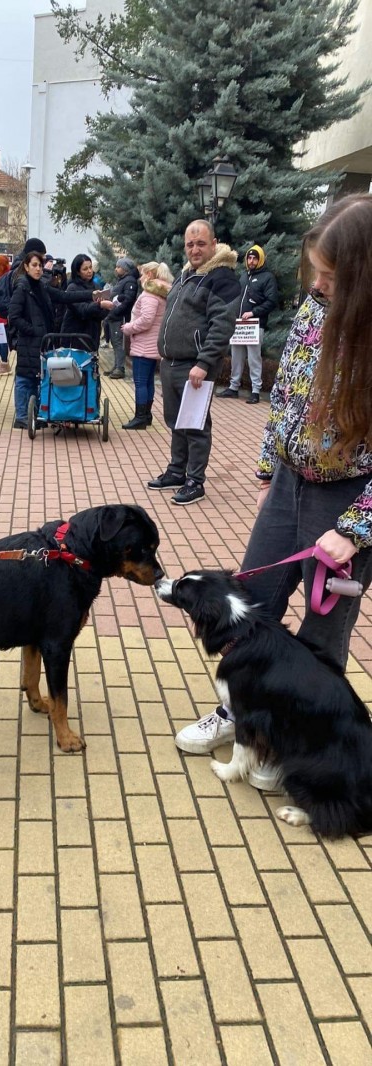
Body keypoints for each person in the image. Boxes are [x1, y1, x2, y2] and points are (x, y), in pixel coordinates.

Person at [173, 194, 372, 788]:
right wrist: (268, 470)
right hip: (290, 482)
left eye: (332, 276)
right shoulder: (316, 307)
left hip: (348, 500)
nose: (318, 284)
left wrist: (355, 529)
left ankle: (299, 745)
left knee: (321, 636)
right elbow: (286, 392)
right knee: (251, 603)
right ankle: (238, 713)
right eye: (315, 270)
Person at [147, 220, 240, 505]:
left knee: (195, 425)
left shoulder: (222, 277)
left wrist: (204, 362)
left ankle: (195, 481)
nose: (195, 249)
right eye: (190, 244)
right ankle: (176, 471)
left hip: (196, 366)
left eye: (201, 243)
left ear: (214, 244)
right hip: (172, 363)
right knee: (175, 421)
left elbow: (222, 325)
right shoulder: (188, 274)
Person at [219, 244, 279, 404]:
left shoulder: (267, 277)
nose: (251, 261)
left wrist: (253, 312)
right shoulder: (244, 276)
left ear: (260, 260)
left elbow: (272, 301)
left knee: (254, 358)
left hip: (255, 325)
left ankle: (255, 391)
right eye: (249, 258)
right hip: (239, 325)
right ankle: (233, 387)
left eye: (255, 258)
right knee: (236, 356)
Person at [120, 260, 173, 430]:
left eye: (143, 273)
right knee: (148, 381)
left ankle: (140, 417)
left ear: (150, 275)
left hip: (144, 345)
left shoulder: (150, 294)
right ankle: (146, 415)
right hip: (153, 344)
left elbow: (146, 320)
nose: (140, 277)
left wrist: (128, 328)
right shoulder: (161, 293)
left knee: (141, 382)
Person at [8, 251, 53, 429]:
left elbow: (62, 296)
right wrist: (32, 330)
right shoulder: (22, 287)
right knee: (24, 378)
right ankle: (21, 417)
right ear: (26, 267)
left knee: (36, 377)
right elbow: (14, 316)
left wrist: (91, 296)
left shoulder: (39, 286)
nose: (38, 269)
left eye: (40, 266)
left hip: (41, 341)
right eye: (34, 265)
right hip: (29, 340)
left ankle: (33, 415)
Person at [99, 256, 139, 378]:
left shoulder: (129, 281)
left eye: (118, 267)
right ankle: (116, 365)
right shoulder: (123, 280)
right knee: (115, 342)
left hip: (120, 317)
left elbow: (127, 300)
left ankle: (120, 368)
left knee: (118, 342)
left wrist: (115, 312)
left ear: (125, 269)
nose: (116, 269)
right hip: (114, 316)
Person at [61, 254, 108, 351]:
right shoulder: (72, 288)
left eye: (90, 267)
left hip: (92, 336)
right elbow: (82, 311)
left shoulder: (96, 286)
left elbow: (102, 313)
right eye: (85, 269)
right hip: (75, 337)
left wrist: (105, 307)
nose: (89, 271)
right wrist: (99, 305)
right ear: (78, 271)